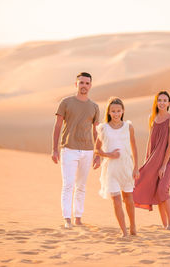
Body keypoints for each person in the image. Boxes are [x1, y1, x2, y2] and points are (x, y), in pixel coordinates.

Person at [51, 72, 101, 229]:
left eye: (87, 83)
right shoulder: (66, 102)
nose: (84, 86)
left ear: (90, 86)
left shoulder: (94, 107)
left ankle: (78, 218)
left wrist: (97, 154)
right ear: (76, 84)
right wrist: (54, 149)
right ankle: (67, 219)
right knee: (68, 185)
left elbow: (95, 132)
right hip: (68, 149)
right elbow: (58, 126)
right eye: (81, 83)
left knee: (81, 186)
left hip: (87, 151)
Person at [95, 97, 139, 237]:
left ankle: (132, 226)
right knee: (116, 200)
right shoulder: (104, 128)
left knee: (129, 199)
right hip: (111, 169)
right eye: (113, 111)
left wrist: (136, 167)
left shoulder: (128, 127)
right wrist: (109, 154)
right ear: (108, 112)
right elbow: (97, 150)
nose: (116, 114)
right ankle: (124, 231)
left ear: (123, 111)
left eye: (118, 111)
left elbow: (134, 147)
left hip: (126, 167)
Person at [133, 91, 170, 230]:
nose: (162, 103)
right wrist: (148, 160)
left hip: (168, 159)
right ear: (156, 102)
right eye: (160, 100)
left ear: (169, 103)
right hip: (153, 158)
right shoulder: (152, 118)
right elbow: (150, 141)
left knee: (163, 190)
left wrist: (164, 166)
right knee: (156, 190)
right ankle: (164, 226)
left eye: (165, 100)